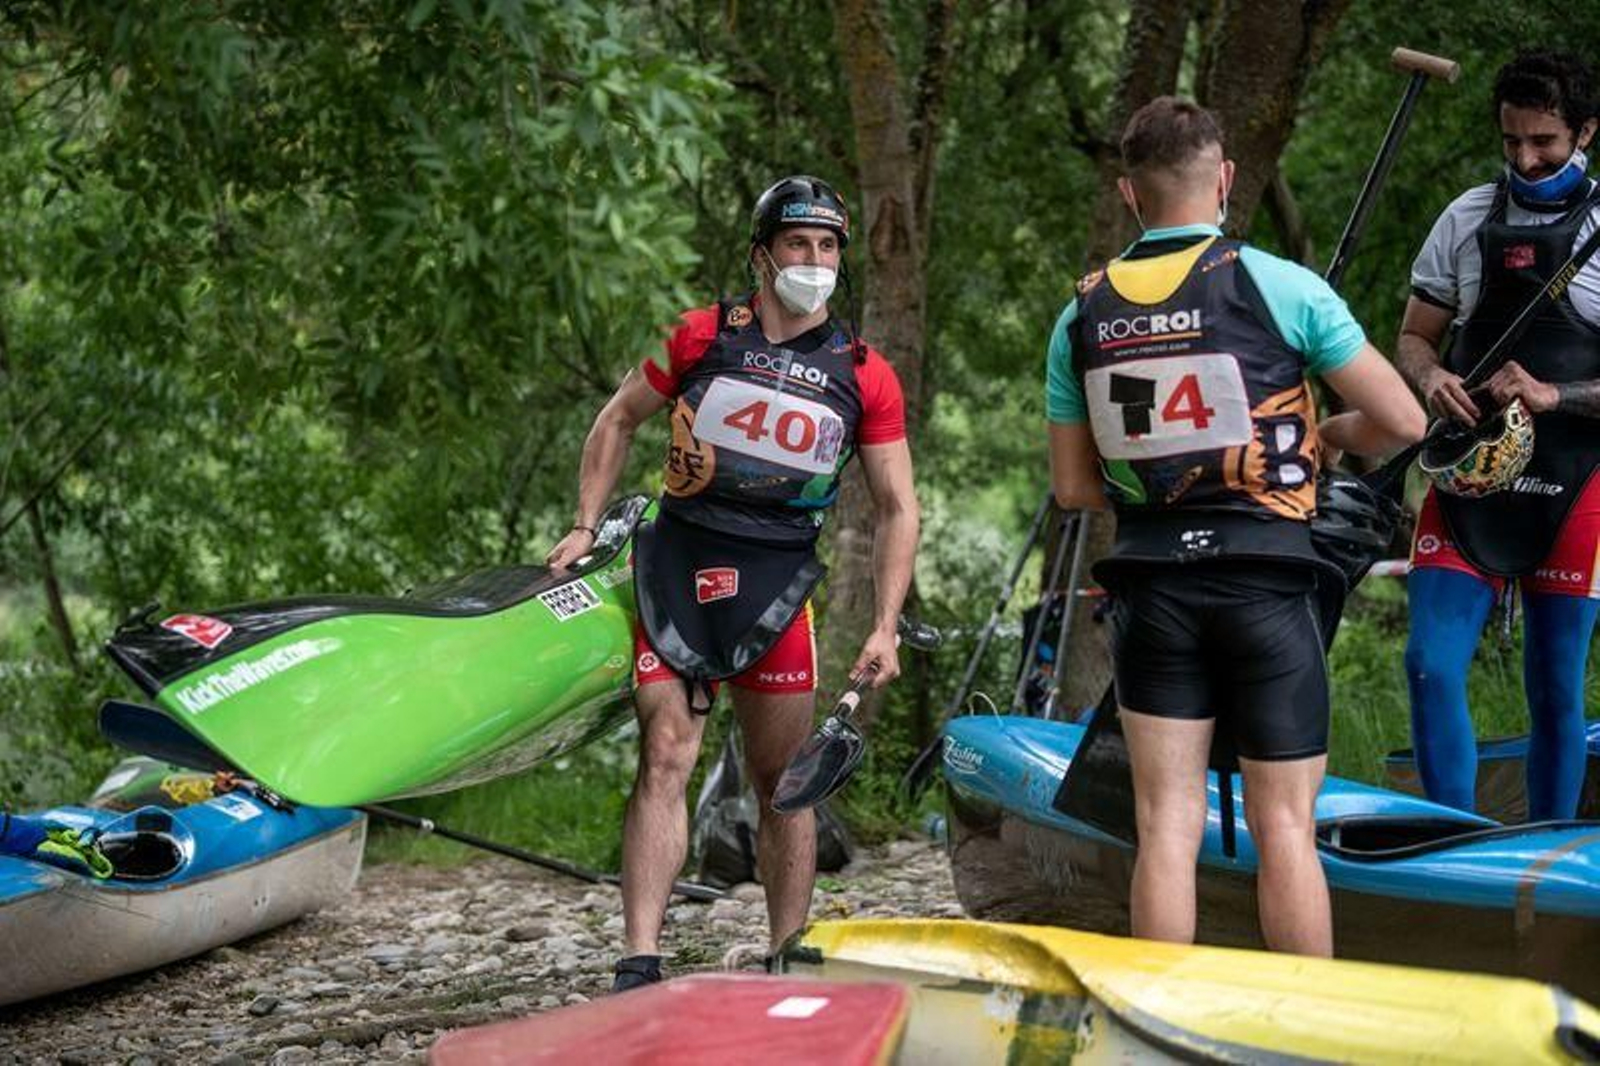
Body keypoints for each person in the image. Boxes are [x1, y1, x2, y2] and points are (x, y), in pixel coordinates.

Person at [1045, 97, 1424, 955]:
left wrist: (1169, 485)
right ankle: (1302, 1035)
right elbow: (1403, 421)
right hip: (1268, 580)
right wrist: (1320, 437)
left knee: (1165, 824)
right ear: (1223, 179)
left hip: (1153, 587)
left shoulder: (1081, 315)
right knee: (1285, 828)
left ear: (1129, 194)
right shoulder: (1281, 285)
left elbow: (1073, 490)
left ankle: (1161, 1033)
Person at [546, 176, 919, 992]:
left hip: (779, 582)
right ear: (762, 254)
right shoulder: (699, 336)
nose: (814, 261)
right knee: (667, 751)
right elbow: (617, 419)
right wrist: (584, 523)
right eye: (798, 244)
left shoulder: (865, 374)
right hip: (676, 564)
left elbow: (898, 506)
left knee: (782, 783)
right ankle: (639, 959)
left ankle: (787, 955)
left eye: (828, 247)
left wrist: (885, 623)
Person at [1397, 51, 1600, 823]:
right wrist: (1428, 378)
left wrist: (1555, 394)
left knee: (1556, 684)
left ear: (1586, 130)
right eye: (1511, 140)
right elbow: (1415, 336)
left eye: (1545, 141)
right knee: (1429, 666)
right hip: (1468, 478)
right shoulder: (1465, 217)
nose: (1525, 158)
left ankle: (1545, 857)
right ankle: (1451, 846)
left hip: (1577, 483)